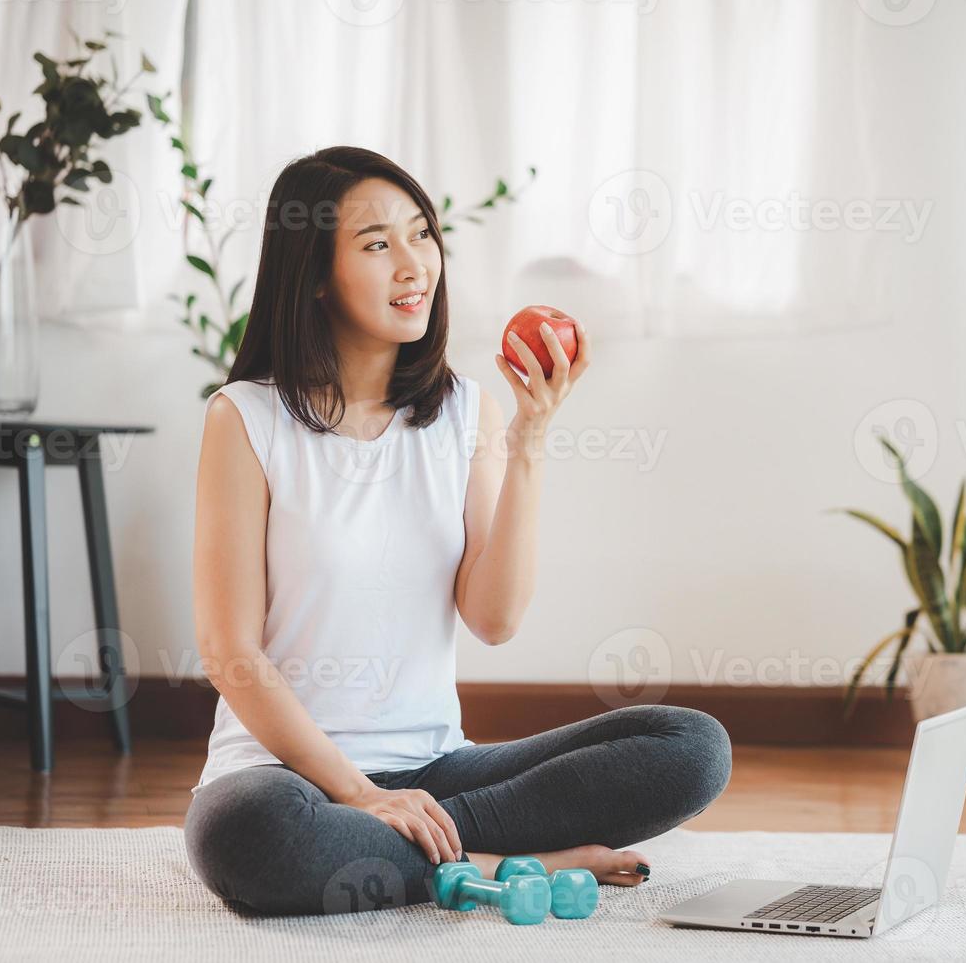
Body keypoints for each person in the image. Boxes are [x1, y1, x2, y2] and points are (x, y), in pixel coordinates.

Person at [183, 146, 731, 916]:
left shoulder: (467, 413)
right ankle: (499, 859)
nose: (414, 265)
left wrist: (530, 441)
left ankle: (437, 851)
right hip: (284, 777)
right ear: (313, 274)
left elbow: (494, 619)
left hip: (436, 769)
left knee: (690, 746)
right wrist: (357, 794)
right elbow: (228, 653)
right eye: (377, 244)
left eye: (421, 235)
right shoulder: (245, 417)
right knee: (252, 836)